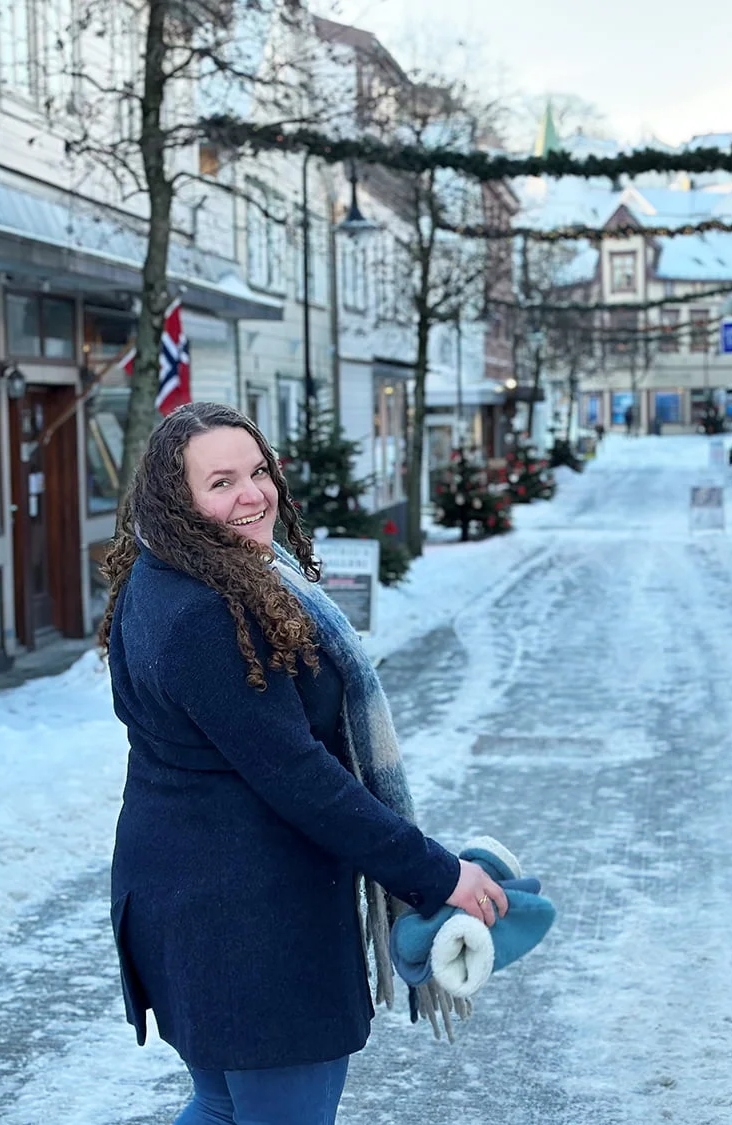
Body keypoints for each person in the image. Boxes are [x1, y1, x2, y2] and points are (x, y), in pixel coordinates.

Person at [99, 402, 507, 1125]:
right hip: (249, 931)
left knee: (223, 1106)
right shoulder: (206, 614)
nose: (252, 494)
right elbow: (303, 778)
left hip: (187, 906)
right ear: (177, 499)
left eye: (258, 471)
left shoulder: (168, 576)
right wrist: (437, 874)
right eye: (220, 481)